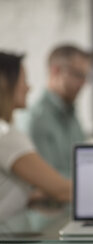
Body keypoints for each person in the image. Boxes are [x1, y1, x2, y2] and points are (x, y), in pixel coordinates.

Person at [0, 52, 71, 220]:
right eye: (23, 80)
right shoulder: (6, 136)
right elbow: (63, 191)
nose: (28, 87)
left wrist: (32, 195)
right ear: (4, 85)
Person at [21, 44, 93, 178]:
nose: (83, 83)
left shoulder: (72, 114)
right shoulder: (36, 119)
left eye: (86, 77)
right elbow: (45, 181)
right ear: (55, 71)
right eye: (78, 75)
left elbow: (83, 165)